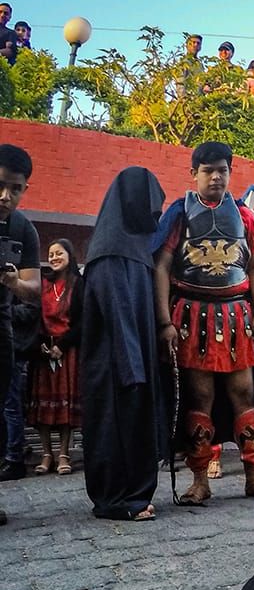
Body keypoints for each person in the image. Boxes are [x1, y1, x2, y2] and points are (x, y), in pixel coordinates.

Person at [154, 141, 254, 504]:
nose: (216, 177)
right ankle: (200, 480)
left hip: (236, 314)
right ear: (193, 174)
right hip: (192, 315)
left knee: (244, 393)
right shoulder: (178, 214)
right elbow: (161, 264)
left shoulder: (245, 217)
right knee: (200, 396)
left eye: (222, 170)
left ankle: (253, 475)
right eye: (208, 170)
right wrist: (165, 320)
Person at [81, 167, 166, 521]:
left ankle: (134, 494)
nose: (154, 216)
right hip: (116, 363)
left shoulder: (133, 247)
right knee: (113, 428)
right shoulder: (111, 250)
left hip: (135, 359)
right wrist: (132, 366)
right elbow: (116, 311)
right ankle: (114, 500)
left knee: (134, 426)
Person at [0, 145, 43, 518]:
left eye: (15, 188)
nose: (6, 196)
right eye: (1, 186)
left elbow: (35, 288)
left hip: (3, 326)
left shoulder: (22, 228)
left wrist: (14, 283)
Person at [27, 239, 82, 476]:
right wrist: (41, 343)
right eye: (50, 254)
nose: (54, 257)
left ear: (70, 255)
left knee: (65, 407)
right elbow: (33, 314)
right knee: (43, 407)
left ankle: (63, 454)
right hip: (42, 352)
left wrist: (63, 345)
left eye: (59, 253)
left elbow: (82, 320)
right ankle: (46, 454)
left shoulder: (78, 284)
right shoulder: (42, 283)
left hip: (67, 351)